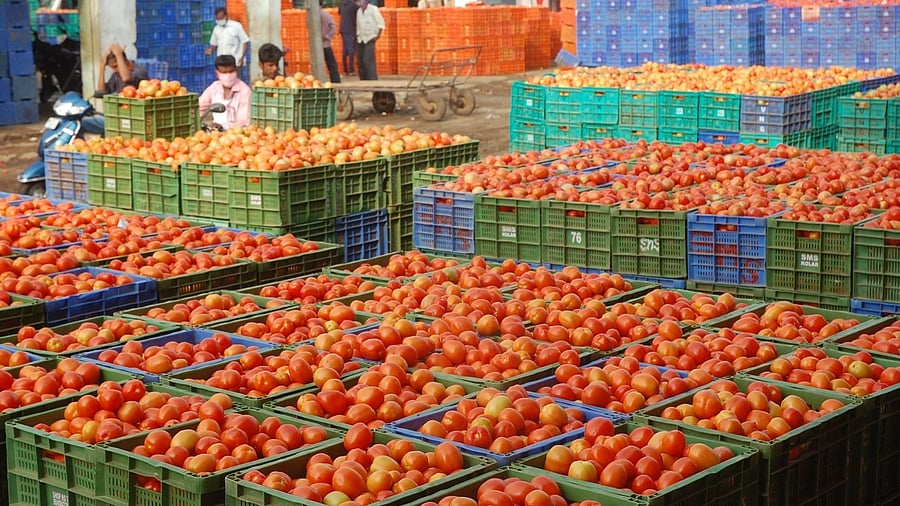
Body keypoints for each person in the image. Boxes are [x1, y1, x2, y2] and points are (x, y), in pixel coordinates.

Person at [199, 55, 251, 131]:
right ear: (217, 73)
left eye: (230, 72)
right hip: (215, 134)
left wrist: (224, 127)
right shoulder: (214, 88)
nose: (228, 76)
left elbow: (244, 121)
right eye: (224, 72)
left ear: (236, 70)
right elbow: (199, 107)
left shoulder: (245, 91)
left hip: (237, 136)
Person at [355, 0, 385, 81]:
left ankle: (372, 80)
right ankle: (363, 81)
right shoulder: (359, 11)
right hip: (360, 38)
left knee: (368, 60)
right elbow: (358, 25)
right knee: (360, 61)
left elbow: (381, 24)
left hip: (370, 38)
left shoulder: (374, 9)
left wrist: (376, 37)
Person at [339, 0, 358, 76]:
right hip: (351, 29)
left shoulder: (342, 4)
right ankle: (351, 69)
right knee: (351, 50)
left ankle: (345, 69)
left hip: (343, 29)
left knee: (345, 49)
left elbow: (339, 12)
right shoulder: (354, 5)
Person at [321, 9, 341, 83]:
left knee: (319, 65)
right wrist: (327, 36)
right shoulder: (326, 15)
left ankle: (320, 81)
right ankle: (336, 81)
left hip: (318, 46)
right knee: (332, 65)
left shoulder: (311, 15)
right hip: (326, 44)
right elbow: (333, 28)